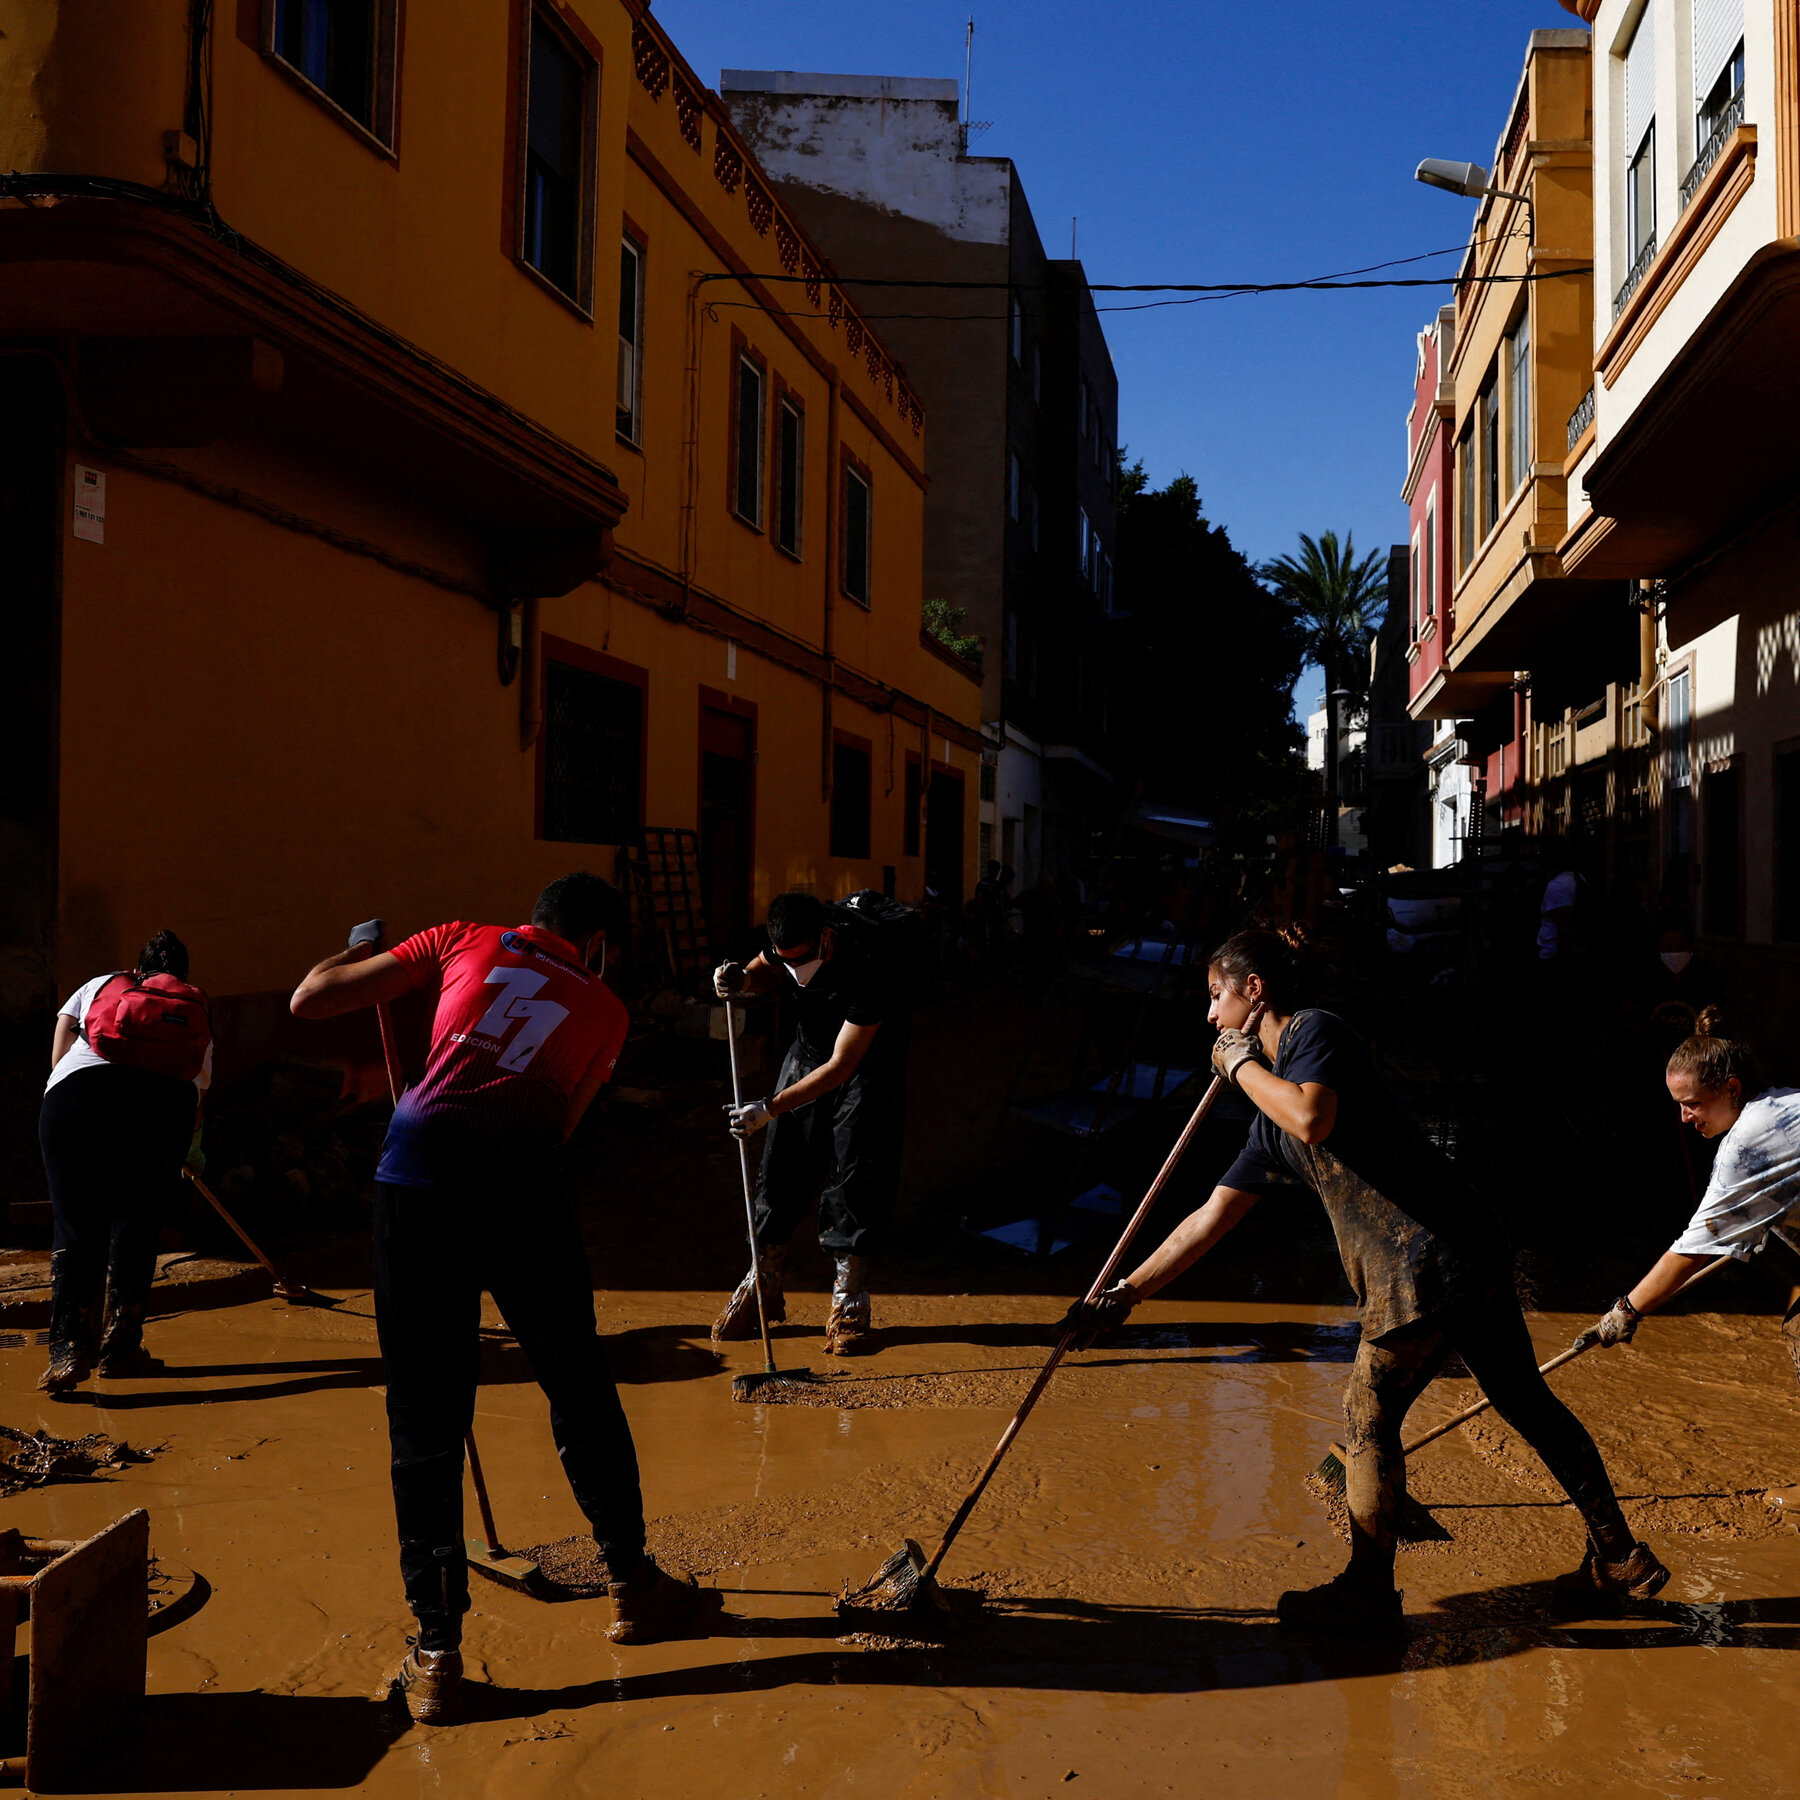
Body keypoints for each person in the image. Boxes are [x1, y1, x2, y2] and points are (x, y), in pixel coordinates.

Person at [1063, 925, 1666, 1638]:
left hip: (1428, 1259)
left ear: (1254, 993)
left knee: (1368, 1412)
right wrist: (1124, 1295)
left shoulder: (1316, 1033)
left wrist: (1238, 1067)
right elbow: (1212, 1215)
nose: (1209, 1017)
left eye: (1216, 997)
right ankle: (1619, 1554)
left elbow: (1315, 1118)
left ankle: (1367, 1594)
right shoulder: (1268, 1122)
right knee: (1522, 1399)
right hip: (1458, 1248)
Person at [289, 874, 722, 1724]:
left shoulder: (458, 937)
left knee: (424, 1416)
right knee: (579, 1383)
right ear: (597, 943)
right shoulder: (605, 1010)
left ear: (537, 918)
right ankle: (632, 1587)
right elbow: (559, 1128)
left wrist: (364, 950)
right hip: (524, 1196)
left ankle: (438, 1651)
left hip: (414, 1184)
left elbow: (309, 1001)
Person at [711, 890, 912, 1355]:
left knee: (856, 1173)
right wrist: (738, 979)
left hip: (868, 1064)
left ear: (824, 936)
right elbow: (762, 969)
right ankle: (762, 1281)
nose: (797, 972)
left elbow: (843, 1066)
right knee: (780, 1164)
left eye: (803, 960)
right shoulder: (790, 937)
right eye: (788, 960)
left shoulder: (871, 960)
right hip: (808, 1051)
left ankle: (849, 1298)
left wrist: (769, 1107)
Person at [1573, 1011, 1800, 1417]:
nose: (1684, 1118)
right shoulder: (1782, 1102)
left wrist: (1624, 1312)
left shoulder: (1749, 1143)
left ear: (1732, 1088)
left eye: (1692, 1104)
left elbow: (1692, 1249)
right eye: (1679, 1105)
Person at [38, 930, 212, 1391]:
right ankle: (121, 1349)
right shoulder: (192, 1005)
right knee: (138, 1223)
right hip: (164, 1105)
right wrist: (189, 1148)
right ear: (183, 975)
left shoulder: (100, 985)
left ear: (139, 969)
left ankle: (68, 1351)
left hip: (78, 1094)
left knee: (76, 1222)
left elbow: (59, 1057)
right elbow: (198, 1087)